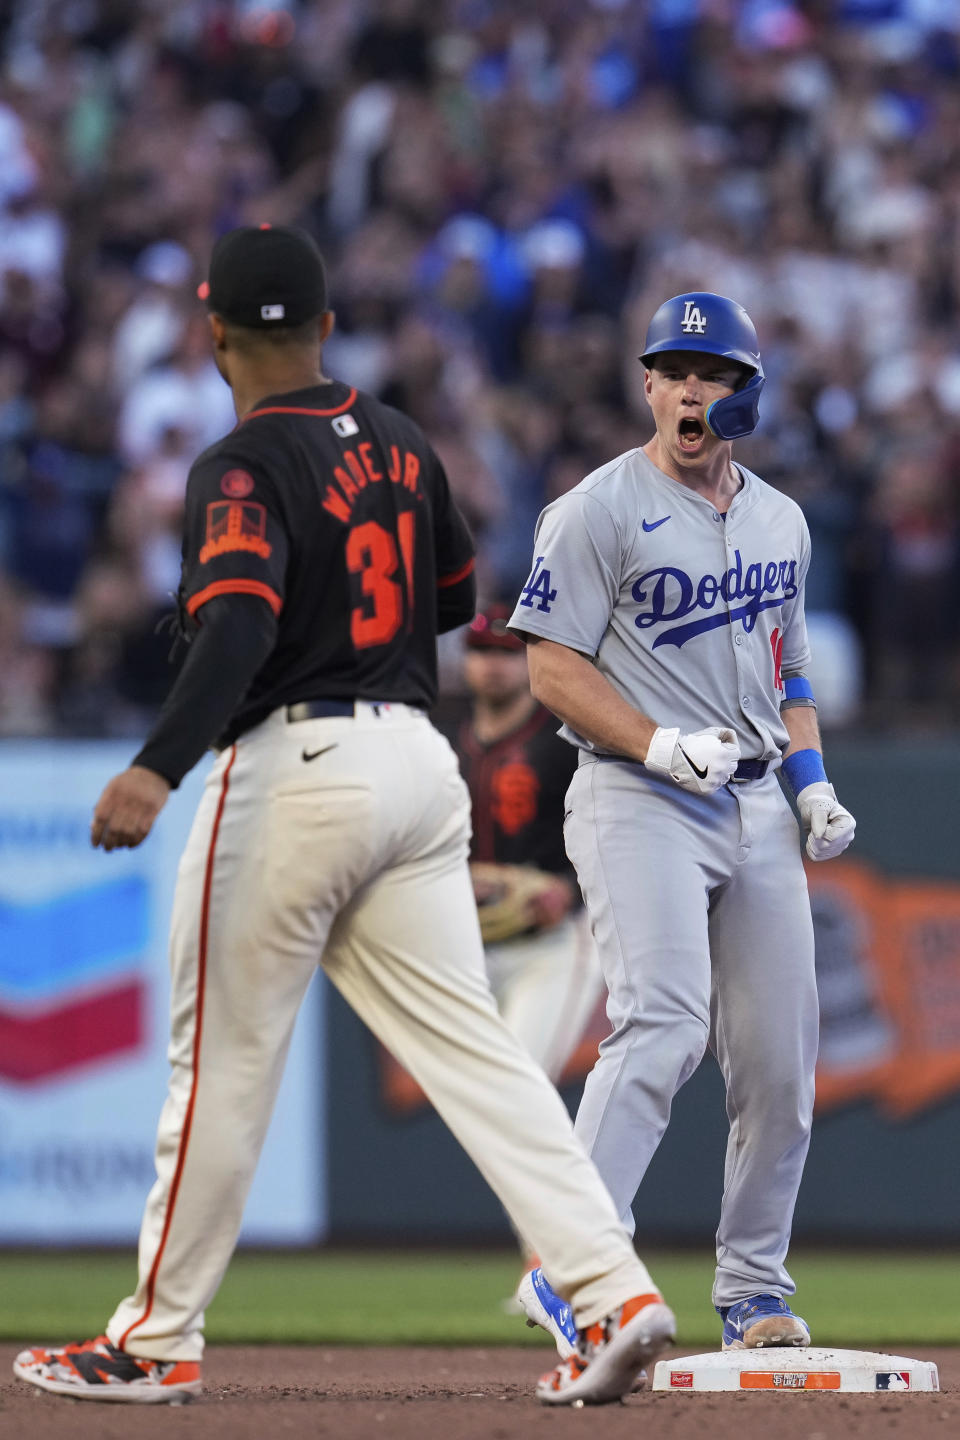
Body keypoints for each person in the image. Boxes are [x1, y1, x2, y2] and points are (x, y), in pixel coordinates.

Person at [12, 225, 674, 1408]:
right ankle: (615, 1290)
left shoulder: (241, 463)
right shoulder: (407, 442)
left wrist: (157, 767)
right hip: (420, 768)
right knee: (478, 1054)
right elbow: (460, 595)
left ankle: (154, 1339)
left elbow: (238, 624)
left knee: (216, 1062)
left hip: (294, 767)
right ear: (324, 325)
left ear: (214, 333)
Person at [508, 291, 856, 1355]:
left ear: (745, 394)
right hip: (636, 792)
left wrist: (810, 782)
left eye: (714, 371)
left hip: (754, 798)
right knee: (661, 1020)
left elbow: (788, 671)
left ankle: (753, 1289)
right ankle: (570, 1267)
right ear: (649, 386)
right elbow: (551, 666)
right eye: (674, 367)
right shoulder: (595, 509)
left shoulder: (780, 521)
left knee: (782, 1067)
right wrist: (658, 743)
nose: (692, 387)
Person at [451, 602, 605, 1083]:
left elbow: (610, 833)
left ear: (530, 661)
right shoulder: (451, 747)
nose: (492, 666)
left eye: (505, 653)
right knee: (479, 1097)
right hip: (474, 946)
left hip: (554, 942)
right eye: (480, 651)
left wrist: (569, 887)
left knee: (522, 1090)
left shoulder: (566, 741)